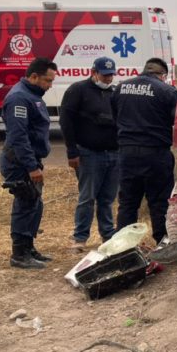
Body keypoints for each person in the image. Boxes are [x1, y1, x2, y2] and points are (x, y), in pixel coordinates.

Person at [111, 57, 177, 243]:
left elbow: (116, 116)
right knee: (159, 202)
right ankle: (162, 243)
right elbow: (176, 120)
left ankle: (124, 247)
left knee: (127, 203)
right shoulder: (167, 91)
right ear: (162, 75)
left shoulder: (121, 88)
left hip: (127, 153)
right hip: (155, 153)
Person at [0, 57, 58, 269]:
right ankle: (19, 254)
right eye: (47, 81)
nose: (50, 86)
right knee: (25, 204)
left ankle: (29, 247)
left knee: (35, 203)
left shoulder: (32, 94)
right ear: (33, 76)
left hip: (31, 159)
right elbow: (19, 136)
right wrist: (31, 167)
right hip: (20, 162)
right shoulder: (19, 98)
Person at [60, 57, 119, 251]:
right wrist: (71, 150)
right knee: (87, 198)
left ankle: (107, 235)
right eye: (105, 75)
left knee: (107, 199)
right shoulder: (78, 90)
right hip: (89, 153)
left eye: (111, 75)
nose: (108, 78)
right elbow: (66, 121)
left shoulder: (114, 93)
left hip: (113, 153)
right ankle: (80, 238)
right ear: (93, 72)